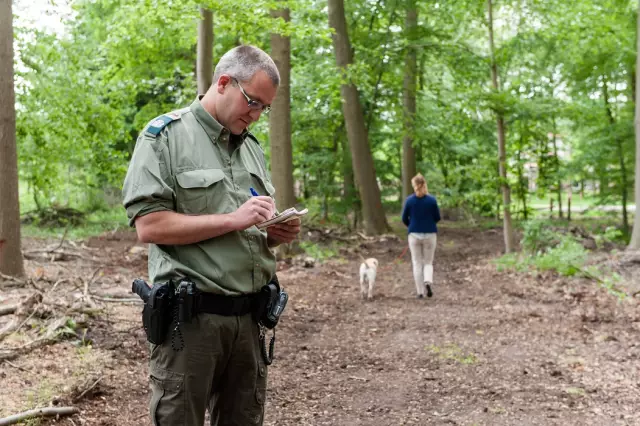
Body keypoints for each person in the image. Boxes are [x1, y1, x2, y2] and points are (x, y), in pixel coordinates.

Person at [122, 45, 301, 426]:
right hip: (191, 327)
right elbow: (149, 226)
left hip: (250, 323)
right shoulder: (165, 137)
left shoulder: (250, 149)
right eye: (252, 102)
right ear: (223, 83)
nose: (255, 116)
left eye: (264, 109)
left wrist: (274, 234)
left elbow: (248, 230)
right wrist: (232, 219)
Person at [401, 173, 441, 299]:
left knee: (417, 263)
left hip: (414, 235)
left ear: (414, 186)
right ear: (424, 184)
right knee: (428, 262)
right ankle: (427, 281)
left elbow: (404, 218)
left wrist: (412, 226)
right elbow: (437, 218)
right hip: (430, 234)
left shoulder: (409, 200)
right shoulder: (432, 200)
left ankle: (420, 292)